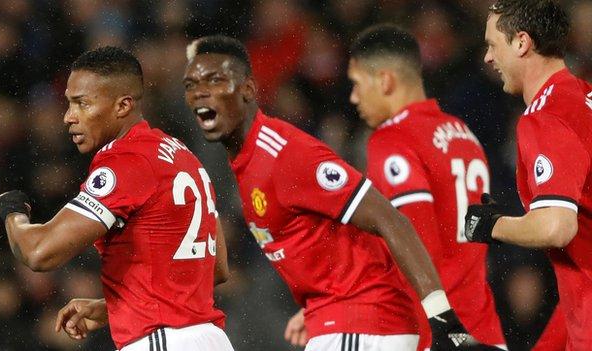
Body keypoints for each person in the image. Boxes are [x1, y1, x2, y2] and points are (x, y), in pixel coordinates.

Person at [182, 34, 501, 351]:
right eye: (191, 85)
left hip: (361, 327)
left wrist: (441, 318)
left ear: (249, 89)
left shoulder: (285, 154)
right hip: (350, 322)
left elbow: (391, 219)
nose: (200, 93)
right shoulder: (247, 161)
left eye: (215, 80)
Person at [0, 46, 233, 351]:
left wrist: (13, 212)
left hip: (161, 340)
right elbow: (216, 268)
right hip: (208, 339)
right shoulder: (183, 156)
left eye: (82, 104)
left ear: (123, 105)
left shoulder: (127, 161)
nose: (69, 117)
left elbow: (40, 251)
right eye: (69, 103)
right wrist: (113, 307)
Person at [344, 24, 506, 350]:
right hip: (485, 330)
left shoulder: (392, 140)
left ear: (385, 80)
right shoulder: (462, 133)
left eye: (357, 84)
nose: (353, 97)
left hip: (441, 333)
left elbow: (414, 241)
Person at [464, 1, 592, 350]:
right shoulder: (582, 97)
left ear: (521, 43)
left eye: (493, 45)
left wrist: (492, 225)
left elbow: (557, 226)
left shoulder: (547, 117)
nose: (488, 58)